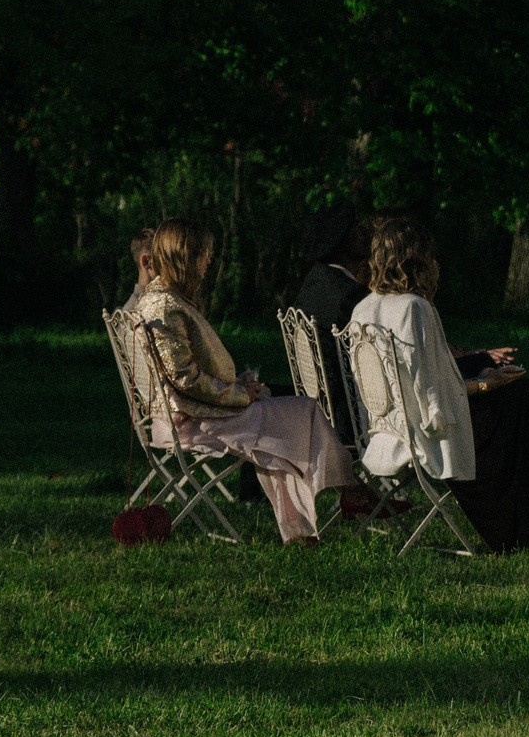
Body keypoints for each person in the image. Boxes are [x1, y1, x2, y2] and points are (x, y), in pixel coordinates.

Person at [347, 215, 529, 549]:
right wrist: (486, 385)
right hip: (425, 433)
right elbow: (433, 395)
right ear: (418, 260)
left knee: (520, 400)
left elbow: (416, 382)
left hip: (384, 430)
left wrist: (478, 381)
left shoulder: (363, 309)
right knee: (524, 397)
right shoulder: (414, 307)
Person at [132, 219, 360, 543]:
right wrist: (239, 395)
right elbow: (184, 379)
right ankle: (348, 492)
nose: (209, 261)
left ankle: (310, 522)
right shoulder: (165, 306)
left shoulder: (163, 298)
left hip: (190, 414)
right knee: (304, 412)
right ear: (186, 256)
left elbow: (183, 373)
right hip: (194, 421)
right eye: (204, 254)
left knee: (289, 420)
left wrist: (239, 386)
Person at [290, 205, 373, 444]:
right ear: (342, 241)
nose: (365, 232)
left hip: (317, 414)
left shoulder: (314, 284)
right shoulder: (349, 297)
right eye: (356, 228)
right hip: (352, 421)